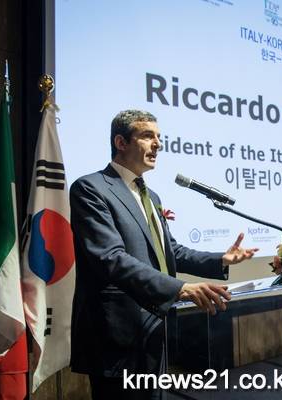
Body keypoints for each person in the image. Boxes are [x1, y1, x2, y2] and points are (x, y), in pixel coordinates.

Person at [69, 110, 258, 399]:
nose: (158, 144)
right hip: (116, 335)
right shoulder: (91, 188)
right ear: (121, 142)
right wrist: (179, 288)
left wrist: (220, 260)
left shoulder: (151, 196)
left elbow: (171, 251)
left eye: (159, 137)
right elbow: (111, 258)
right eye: (148, 136)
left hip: (155, 329)